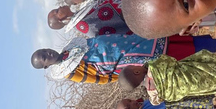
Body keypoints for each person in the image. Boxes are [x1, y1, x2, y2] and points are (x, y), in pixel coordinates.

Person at [119, 50, 216, 104]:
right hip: (194, 72)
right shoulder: (155, 67)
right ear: (136, 72)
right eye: (134, 67)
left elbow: (163, 100)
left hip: (196, 87)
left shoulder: (153, 95)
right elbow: (170, 60)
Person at [30, 33, 170, 84]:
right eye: (44, 57)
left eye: (45, 50)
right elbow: (98, 79)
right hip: (116, 61)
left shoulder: (70, 47)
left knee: (147, 37)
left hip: (121, 42)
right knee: (150, 53)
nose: (48, 53)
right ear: (46, 66)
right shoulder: (69, 73)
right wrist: (117, 75)